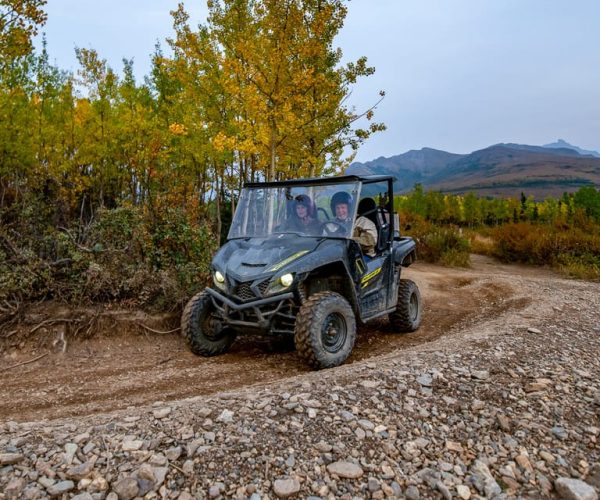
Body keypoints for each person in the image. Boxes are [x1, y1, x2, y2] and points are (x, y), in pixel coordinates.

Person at [329, 191, 377, 258]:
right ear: (333, 209)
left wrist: (348, 239)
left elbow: (370, 241)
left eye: (343, 207)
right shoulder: (331, 224)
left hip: (363, 255)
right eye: (337, 208)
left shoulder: (362, 222)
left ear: (349, 208)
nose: (340, 211)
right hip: (339, 255)